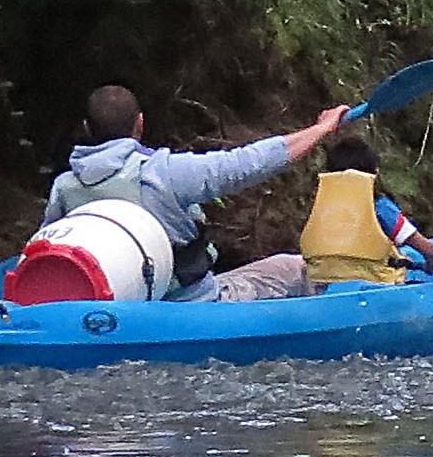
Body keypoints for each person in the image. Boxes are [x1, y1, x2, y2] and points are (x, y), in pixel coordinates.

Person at [47, 84, 350, 300]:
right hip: (194, 304)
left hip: (117, 310)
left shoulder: (65, 187)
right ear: (140, 124)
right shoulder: (163, 172)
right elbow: (247, 164)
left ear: (87, 127)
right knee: (293, 268)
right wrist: (319, 130)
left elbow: (49, 253)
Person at [299, 131, 433, 288]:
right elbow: (427, 249)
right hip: (376, 287)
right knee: (412, 257)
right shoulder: (381, 208)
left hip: (324, 286)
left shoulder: (319, 207)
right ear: (373, 174)